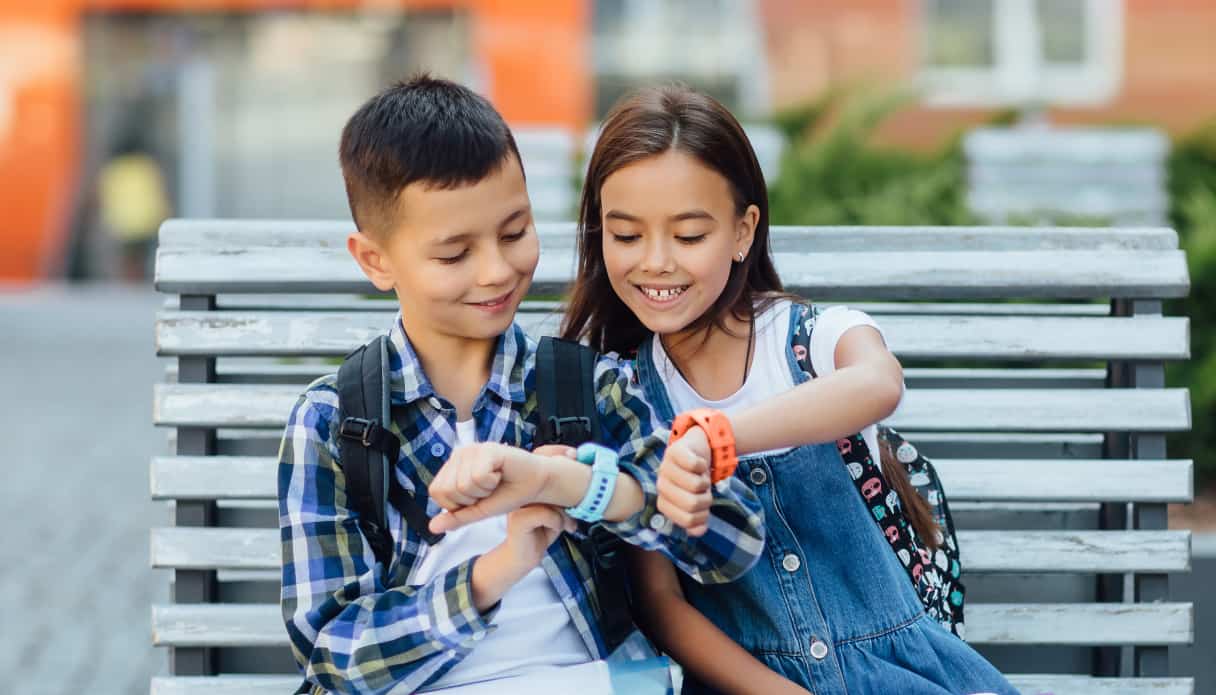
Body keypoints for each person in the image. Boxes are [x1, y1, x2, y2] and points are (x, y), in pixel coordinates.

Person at [276, 76, 765, 695]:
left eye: (514, 234)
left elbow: (732, 540)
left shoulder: (582, 388)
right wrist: (494, 573)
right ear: (375, 259)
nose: (497, 270)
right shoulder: (334, 422)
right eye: (454, 255)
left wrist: (576, 486)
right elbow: (332, 655)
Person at [561, 85, 1016, 695]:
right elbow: (662, 605)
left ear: (743, 231)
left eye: (689, 236)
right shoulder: (625, 395)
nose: (656, 262)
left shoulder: (810, 340)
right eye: (626, 236)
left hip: (897, 676)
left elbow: (878, 382)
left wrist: (717, 438)